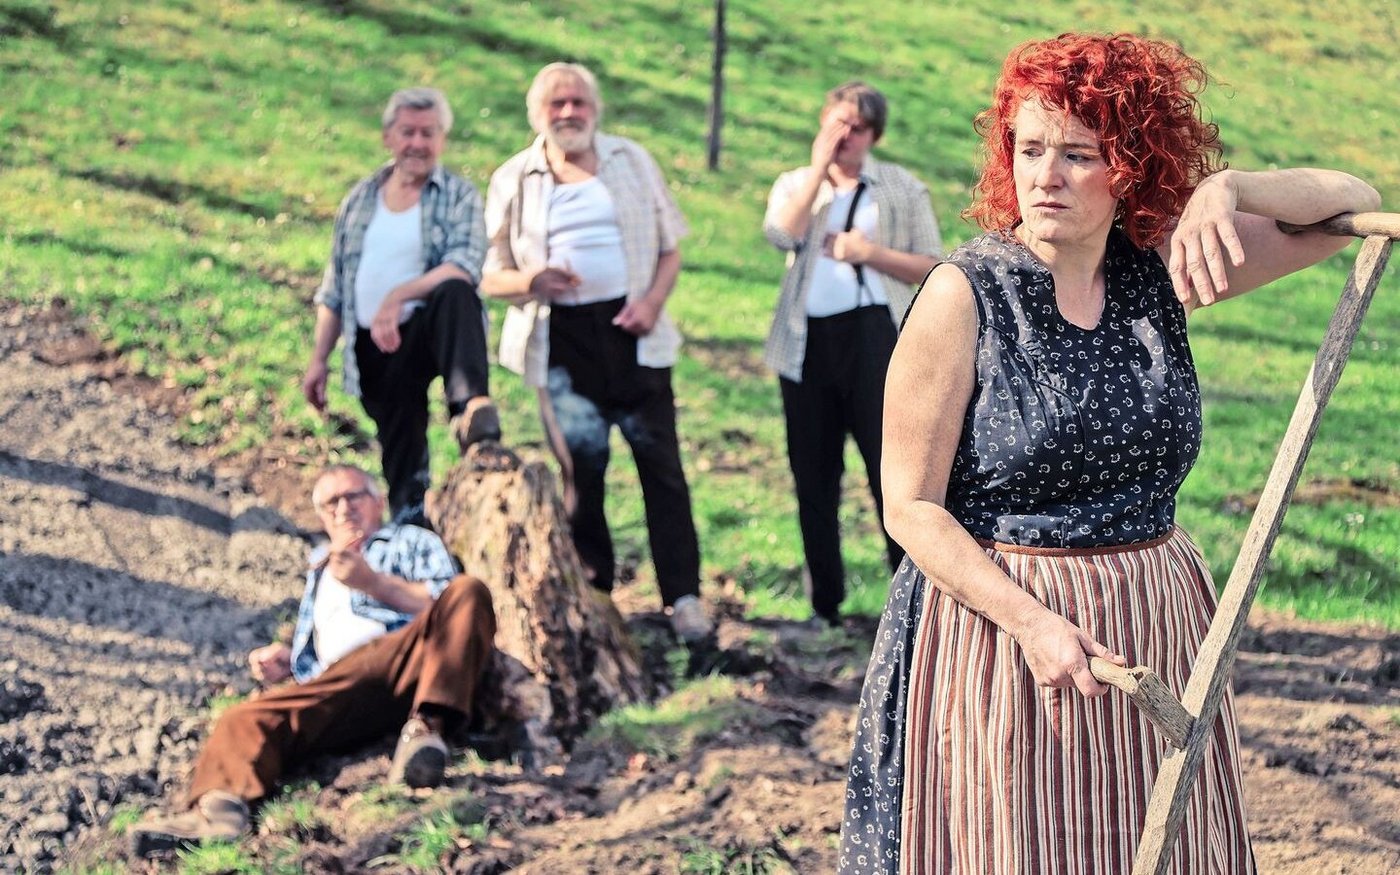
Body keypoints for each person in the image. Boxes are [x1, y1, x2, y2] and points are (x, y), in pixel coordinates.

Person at [839, 33, 1380, 874]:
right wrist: (1033, 624)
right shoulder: (964, 293)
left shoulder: (1158, 270)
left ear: (1130, 163)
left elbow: (1351, 202)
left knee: (1153, 847)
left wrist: (1227, 189)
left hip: (1155, 622)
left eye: (1079, 153)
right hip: (1005, 641)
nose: (1045, 175)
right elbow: (909, 506)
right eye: (1030, 149)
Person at [130, 465, 497, 857]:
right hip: (334, 682)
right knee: (243, 718)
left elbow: (450, 607)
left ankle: (426, 733)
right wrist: (289, 660)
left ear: (378, 502)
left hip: (404, 658)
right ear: (321, 515)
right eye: (331, 502)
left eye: (353, 496)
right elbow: (326, 638)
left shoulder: (409, 541)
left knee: (468, 590)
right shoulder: (320, 565)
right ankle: (220, 811)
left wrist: (373, 583)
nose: (343, 509)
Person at [480, 62, 711, 643]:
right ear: (538, 114)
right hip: (561, 342)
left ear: (595, 108)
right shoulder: (515, 177)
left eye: (578, 102)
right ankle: (598, 596)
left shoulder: (630, 161)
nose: (568, 113)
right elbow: (490, 274)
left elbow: (670, 249)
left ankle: (683, 600)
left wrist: (653, 303)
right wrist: (532, 279)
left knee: (663, 470)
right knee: (583, 471)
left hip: (634, 333)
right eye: (556, 104)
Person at [762, 82, 943, 627]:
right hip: (807, 345)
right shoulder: (797, 183)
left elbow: (933, 265)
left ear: (874, 136)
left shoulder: (901, 186)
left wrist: (870, 253)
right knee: (813, 472)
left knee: (890, 472)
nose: (844, 136)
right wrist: (818, 171)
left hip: (878, 341)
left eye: (857, 128)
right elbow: (779, 234)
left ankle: (910, 603)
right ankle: (825, 604)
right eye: (837, 123)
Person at [302, 87, 500, 522]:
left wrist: (400, 295)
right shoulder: (359, 200)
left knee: (455, 293)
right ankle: (411, 524)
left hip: (428, 330)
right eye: (408, 132)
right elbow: (334, 289)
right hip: (375, 346)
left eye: (428, 133)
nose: (418, 143)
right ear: (388, 137)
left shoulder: (457, 195)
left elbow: (464, 265)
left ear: (442, 140)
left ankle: (472, 410)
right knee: (401, 447)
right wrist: (319, 360)